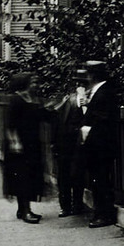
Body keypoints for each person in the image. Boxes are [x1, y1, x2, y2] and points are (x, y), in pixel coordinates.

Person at [80, 60, 120, 228]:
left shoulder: (105, 92)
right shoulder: (99, 91)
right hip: (97, 145)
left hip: (101, 145)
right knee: (98, 180)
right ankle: (101, 212)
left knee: (101, 180)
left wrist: (87, 130)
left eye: (87, 73)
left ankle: (104, 214)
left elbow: (103, 119)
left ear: (92, 75)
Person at [3, 72, 46, 223]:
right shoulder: (16, 99)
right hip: (19, 145)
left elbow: (43, 116)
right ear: (25, 83)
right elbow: (10, 124)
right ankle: (26, 211)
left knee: (31, 175)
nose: (37, 85)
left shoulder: (33, 99)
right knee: (23, 177)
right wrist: (15, 142)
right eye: (34, 83)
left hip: (32, 143)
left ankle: (22, 210)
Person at [48, 69, 88, 217]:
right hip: (65, 143)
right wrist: (54, 142)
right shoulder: (66, 101)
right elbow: (56, 123)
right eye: (80, 83)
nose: (82, 86)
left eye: (84, 83)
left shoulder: (90, 100)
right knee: (64, 176)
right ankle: (65, 206)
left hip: (80, 144)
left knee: (78, 176)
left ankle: (78, 205)